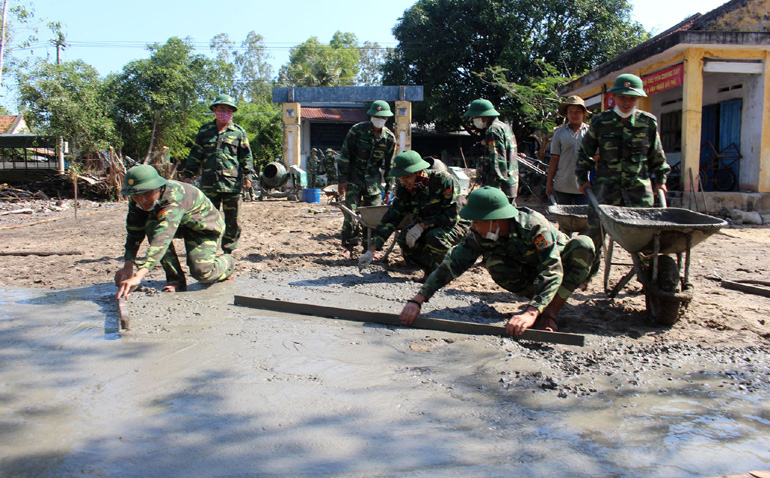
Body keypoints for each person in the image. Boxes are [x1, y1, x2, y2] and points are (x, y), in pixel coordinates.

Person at [398, 186, 594, 335]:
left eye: (476, 222)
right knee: (495, 264)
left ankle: (550, 311)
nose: (473, 227)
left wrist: (531, 312)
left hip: (561, 269)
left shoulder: (534, 227)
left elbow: (552, 270)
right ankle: (540, 304)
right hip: (531, 272)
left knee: (583, 245)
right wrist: (417, 300)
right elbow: (452, 263)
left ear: (495, 220)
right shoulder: (480, 235)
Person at [576, 73, 671, 278]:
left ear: (638, 99)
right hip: (604, 192)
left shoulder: (648, 123)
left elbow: (657, 156)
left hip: (638, 193)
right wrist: (582, 179)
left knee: (646, 239)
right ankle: (585, 276)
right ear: (614, 97)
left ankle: (649, 278)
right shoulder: (601, 122)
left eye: (632, 98)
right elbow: (585, 152)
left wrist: (661, 181)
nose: (627, 102)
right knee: (593, 236)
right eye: (622, 97)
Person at [114, 165, 235, 298]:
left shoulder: (174, 197)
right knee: (151, 226)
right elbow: (134, 230)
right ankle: (175, 279)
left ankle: (228, 262)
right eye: (137, 196)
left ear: (158, 187)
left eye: (147, 194)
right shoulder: (136, 199)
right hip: (178, 225)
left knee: (202, 273)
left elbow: (162, 237)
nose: (142, 201)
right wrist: (128, 264)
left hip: (203, 227)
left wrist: (139, 275)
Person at [358, 151, 470, 282]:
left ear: (419, 172)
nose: (403, 181)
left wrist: (423, 226)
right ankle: (432, 272)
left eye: (406, 177)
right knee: (404, 238)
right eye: (400, 178)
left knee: (434, 236)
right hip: (426, 226)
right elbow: (392, 217)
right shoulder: (405, 188)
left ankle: (447, 273)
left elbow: (452, 216)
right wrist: (372, 249)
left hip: (456, 225)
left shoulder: (444, 180)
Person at [182, 94, 255, 254]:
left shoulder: (238, 132)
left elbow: (246, 156)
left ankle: (228, 250)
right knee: (208, 219)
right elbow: (195, 155)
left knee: (233, 221)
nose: (225, 113)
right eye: (222, 109)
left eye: (229, 110)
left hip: (232, 185)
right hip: (209, 184)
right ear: (214, 109)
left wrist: (248, 176)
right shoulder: (205, 132)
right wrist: (188, 174)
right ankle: (209, 248)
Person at [338, 100, 397, 255]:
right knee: (351, 214)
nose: (379, 119)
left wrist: (389, 188)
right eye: (376, 116)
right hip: (354, 179)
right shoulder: (357, 131)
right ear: (370, 115)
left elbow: (391, 166)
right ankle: (348, 247)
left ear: (386, 119)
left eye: (382, 117)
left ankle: (370, 248)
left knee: (373, 217)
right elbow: (345, 155)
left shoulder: (389, 138)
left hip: (374, 183)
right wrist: (342, 180)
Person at [464, 99, 518, 203]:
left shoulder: (493, 131)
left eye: (475, 117)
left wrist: (494, 189)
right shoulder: (505, 127)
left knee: (497, 217)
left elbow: (497, 160)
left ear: (485, 116)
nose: (474, 120)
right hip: (510, 182)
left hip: (499, 186)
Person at [547, 96, 590, 205]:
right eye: (571, 112)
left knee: (583, 220)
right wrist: (549, 184)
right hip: (562, 186)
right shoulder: (559, 133)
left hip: (583, 187)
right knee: (564, 220)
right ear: (567, 114)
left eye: (578, 112)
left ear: (583, 113)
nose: (574, 115)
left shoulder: (590, 133)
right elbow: (554, 159)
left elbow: (597, 159)